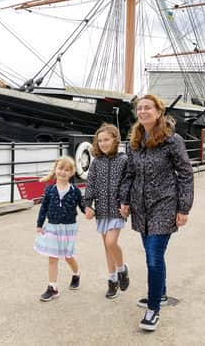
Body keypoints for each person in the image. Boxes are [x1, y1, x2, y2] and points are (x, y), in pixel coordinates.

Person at [120, 95, 194, 331]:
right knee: (153, 255)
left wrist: (184, 207)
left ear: (158, 111)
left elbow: (185, 174)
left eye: (147, 108)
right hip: (141, 208)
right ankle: (160, 294)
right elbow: (129, 174)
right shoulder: (134, 141)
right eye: (139, 108)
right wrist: (125, 200)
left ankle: (153, 309)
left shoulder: (172, 140)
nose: (142, 112)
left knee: (153, 258)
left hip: (164, 205)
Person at [82, 123, 130, 299]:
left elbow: (127, 183)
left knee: (111, 242)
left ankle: (122, 269)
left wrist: (126, 203)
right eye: (100, 140)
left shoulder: (124, 160)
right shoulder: (96, 163)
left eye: (106, 140)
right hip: (101, 209)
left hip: (118, 209)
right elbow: (91, 185)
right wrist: (87, 204)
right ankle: (112, 280)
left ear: (115, 140)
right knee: (106, 247)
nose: (103, 143)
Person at [34, 156, 85, 301]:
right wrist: (39, 224)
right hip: (52, 227)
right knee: (53, 258)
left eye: (67, 170)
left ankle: (76, 273)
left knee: (68, 256)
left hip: (69, 228)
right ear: (56, 170)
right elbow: (43, 208)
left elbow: (82, 207)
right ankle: (52, 287)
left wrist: (90, 211)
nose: (63, 172)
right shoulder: (50, 189)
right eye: (60, 168)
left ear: (71, 173)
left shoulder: (75, 190)